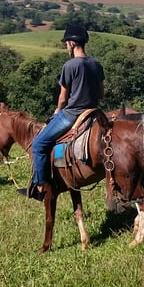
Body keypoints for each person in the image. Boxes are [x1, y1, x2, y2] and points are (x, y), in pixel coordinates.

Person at [23, 24, 105, 201]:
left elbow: (62, 97)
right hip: (94, 113)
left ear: (72, 43)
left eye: (66, 43)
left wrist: (57, 111)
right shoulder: (96, 65)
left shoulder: (70, 66)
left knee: (38, 144)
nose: (66, 46)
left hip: (72, 114)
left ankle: (40, 185)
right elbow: (101, 93)